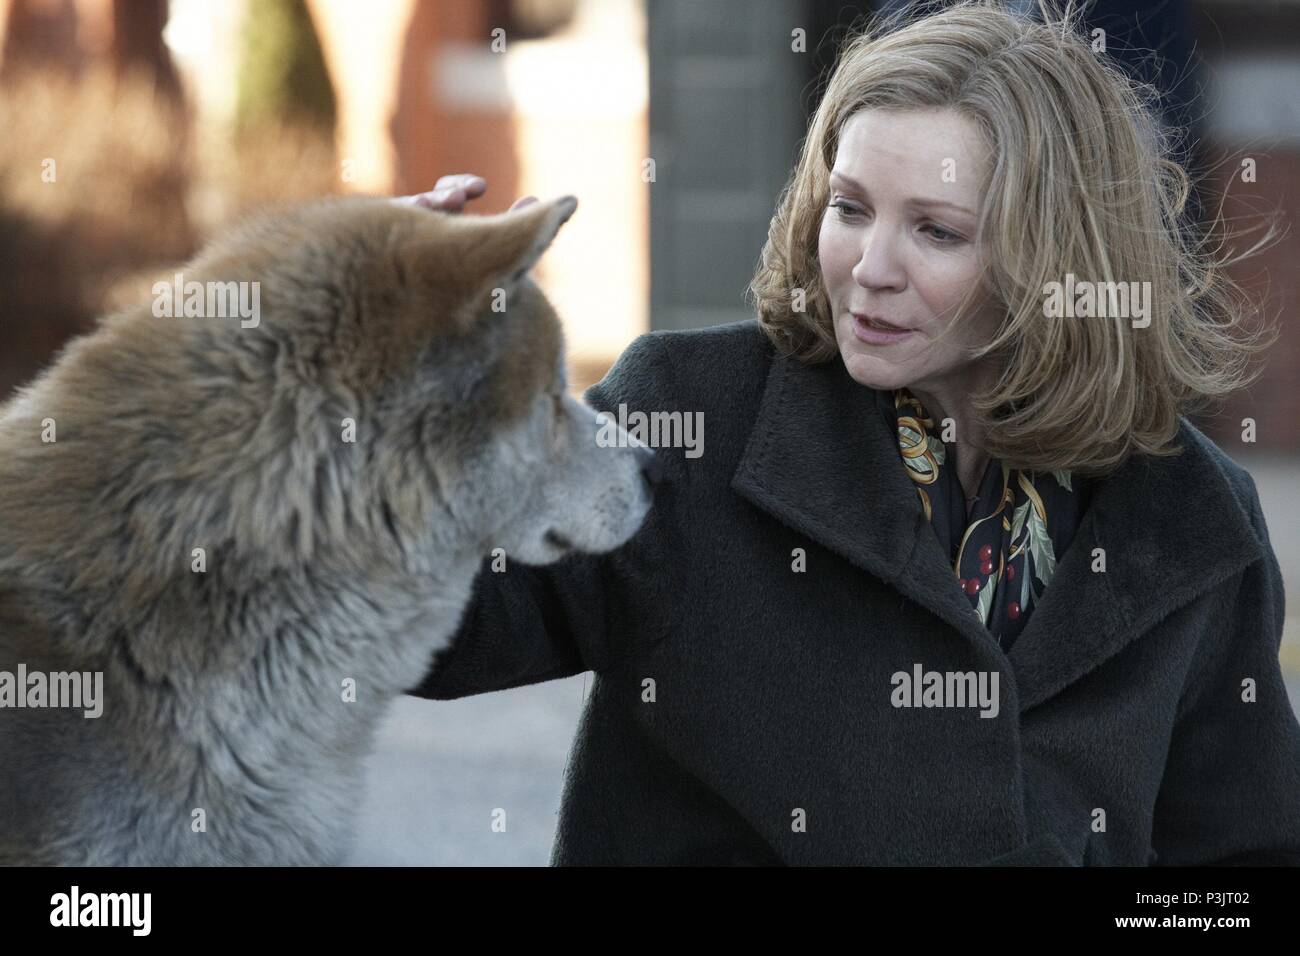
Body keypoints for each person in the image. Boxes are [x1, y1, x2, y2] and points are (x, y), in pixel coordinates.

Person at [402, 0, 1300, 865]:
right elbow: (428, 631)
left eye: (936, 232)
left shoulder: (1192, 516)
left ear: (1054, 258)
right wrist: (384, 365)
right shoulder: (691, 418)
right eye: (851, 207)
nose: (869, 270)